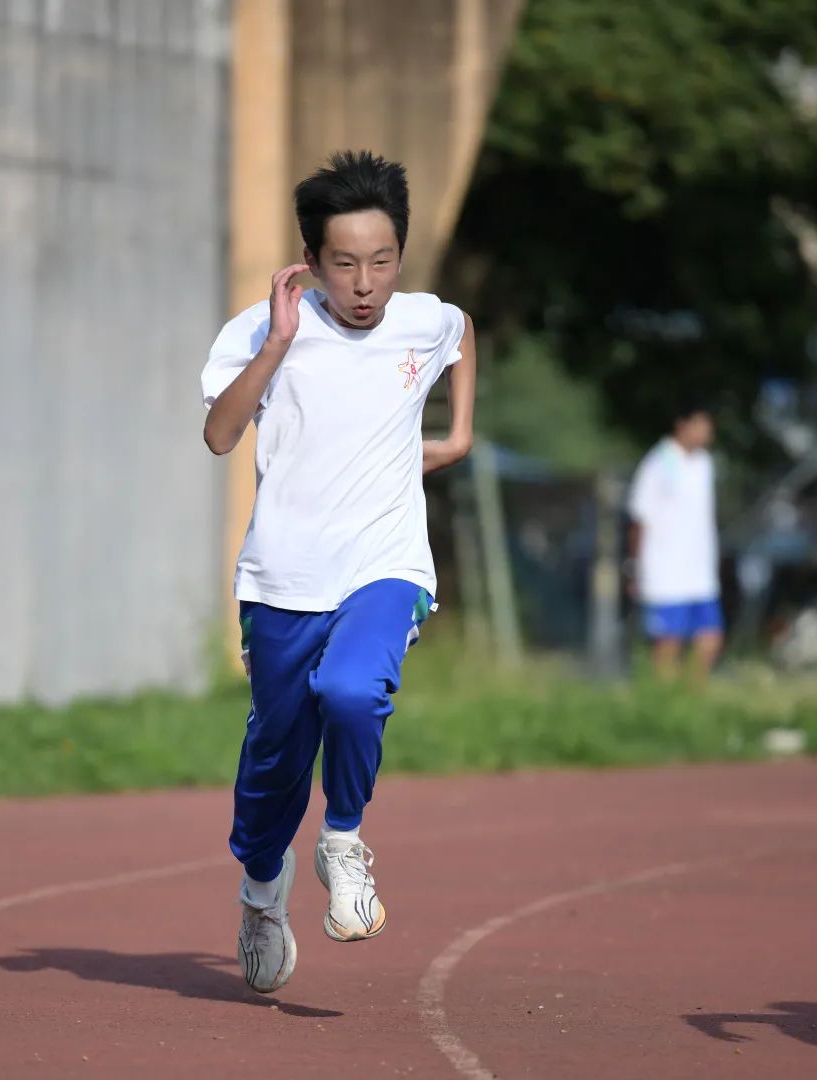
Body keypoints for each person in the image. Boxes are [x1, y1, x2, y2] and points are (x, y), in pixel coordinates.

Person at [200, 150, 476, 993]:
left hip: (384, 565)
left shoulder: (420, 320)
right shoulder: (261, 328)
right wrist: (279, 344)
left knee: (355, 691)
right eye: (346, 264)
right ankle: (259, 894)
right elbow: (219, 436)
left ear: (402, 255)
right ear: (312, 260)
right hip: (284, 578)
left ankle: (345, 842)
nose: (366, 284)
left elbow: (462, 333)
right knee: (276, 758)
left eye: (383, 262)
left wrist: (458, 433)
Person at [625, 401, 722, 681]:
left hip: (699, 573)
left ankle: (692, 698)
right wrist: (635, 565)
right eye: (701, 426)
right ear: (682, 425)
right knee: (668, 643)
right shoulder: (659, 463)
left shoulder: (704, 463)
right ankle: (665, 700)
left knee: (710, 638)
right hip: (665, 572)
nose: (706, 433)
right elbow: (639, 518)